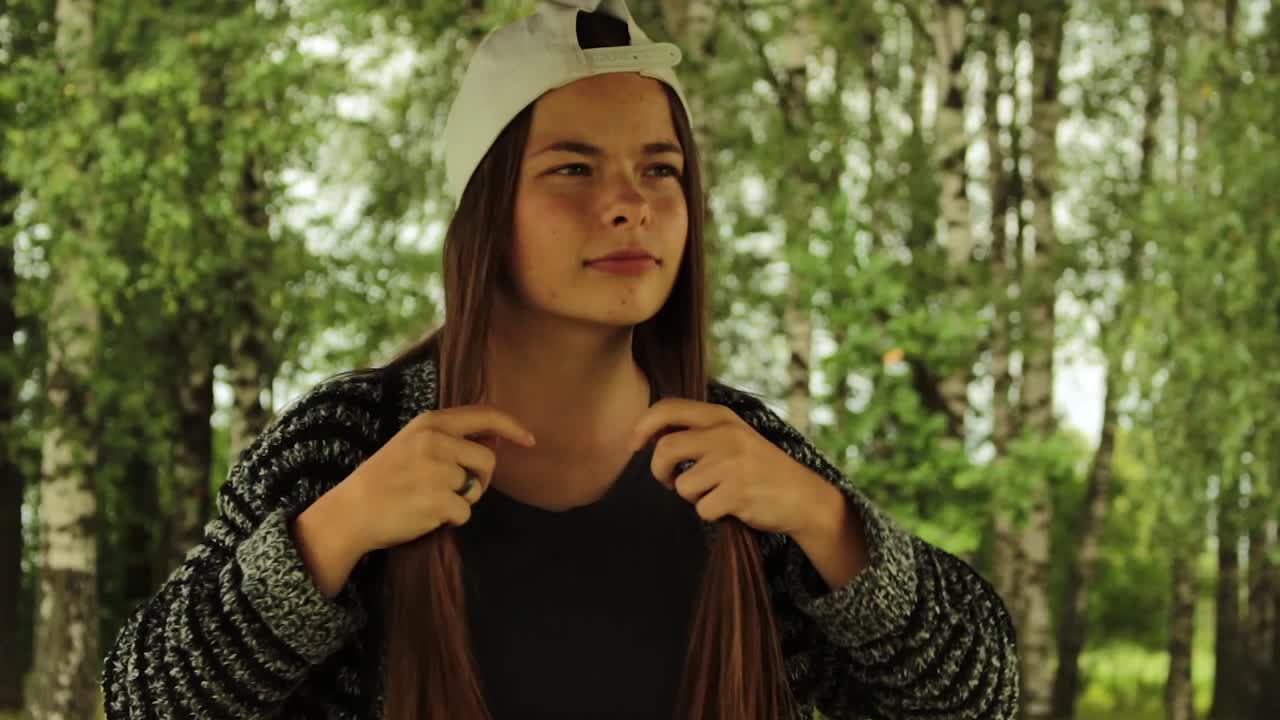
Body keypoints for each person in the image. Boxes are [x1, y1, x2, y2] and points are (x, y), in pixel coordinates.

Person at [103, 1, 1019, 718]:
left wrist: (829, 522)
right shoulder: (343, 445)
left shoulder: (748, 463)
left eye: (660, 169)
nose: (629, 205)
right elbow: (144, 699)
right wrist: (331, 536)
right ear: (485, 210)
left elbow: (982, 698)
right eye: (573, 168)